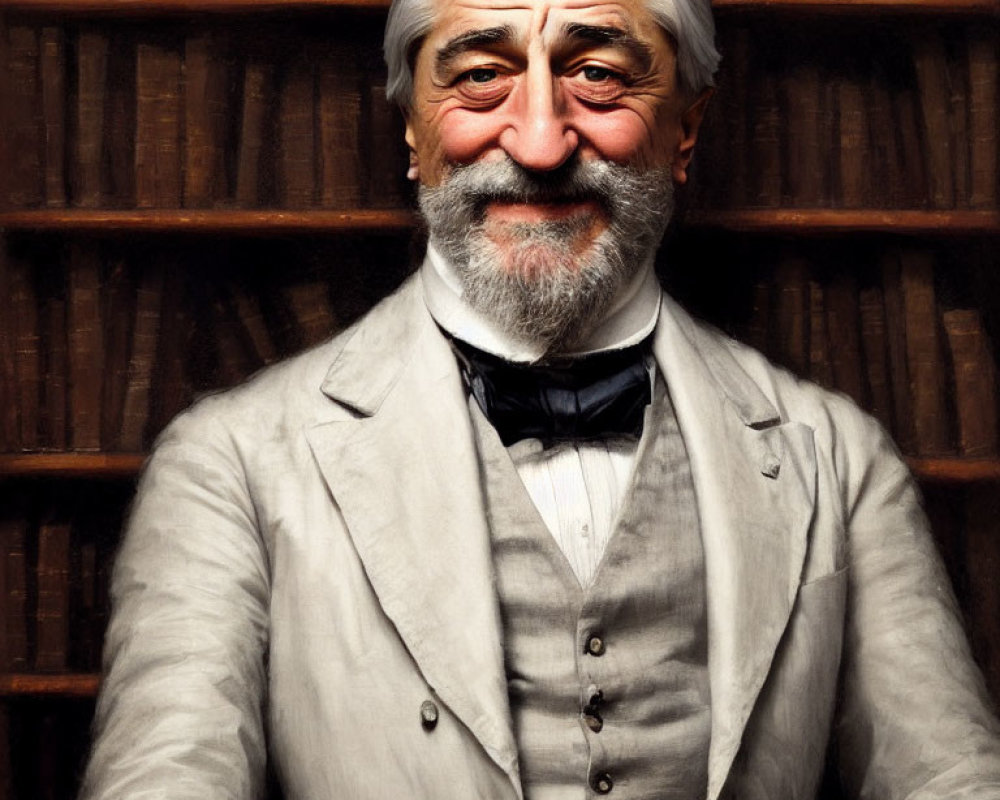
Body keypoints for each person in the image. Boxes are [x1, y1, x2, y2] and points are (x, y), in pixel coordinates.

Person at [80, 0, 1000, 796]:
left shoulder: (837, 458)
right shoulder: (229, 464)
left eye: (598, 75)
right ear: (413, 127)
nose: (540, 142)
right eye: (480, 76)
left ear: (686, 128)